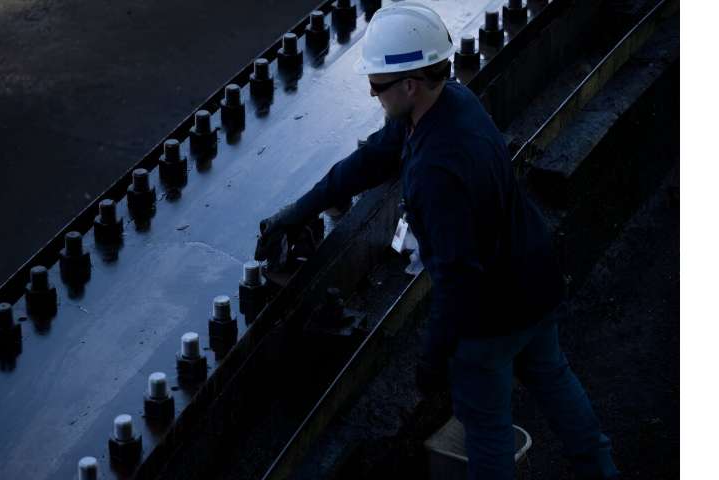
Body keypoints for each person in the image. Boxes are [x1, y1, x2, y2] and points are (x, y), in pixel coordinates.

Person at [254, 3, 619, 479]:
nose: (371, 91)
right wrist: (298, 210)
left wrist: (433, 358)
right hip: (534, 277)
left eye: (379, 85)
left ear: (410, 84)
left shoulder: (435, 172)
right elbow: (372, 160)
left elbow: (458, 279)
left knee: (486, 429)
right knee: (554, 379)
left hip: (491, 315)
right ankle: (601, 471)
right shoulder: (453, 101)